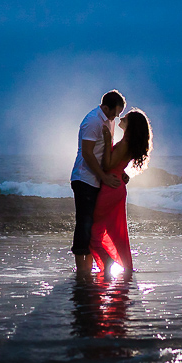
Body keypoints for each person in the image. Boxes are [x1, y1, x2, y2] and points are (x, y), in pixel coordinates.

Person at [89, 108, 152, 279]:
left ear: (130, 125)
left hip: (111, 188)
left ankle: (108, 262)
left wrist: (109, 139)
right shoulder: (129, 143)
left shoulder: (125, 143)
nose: (121, 117)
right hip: (116, 187)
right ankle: (110, 264)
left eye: (125, 117)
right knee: (105, 230)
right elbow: (118, 166)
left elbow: (109, 165)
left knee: (93, 231)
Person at [70, 90, 126, 277]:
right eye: (114, 113)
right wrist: (103, 176)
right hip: (84, 178)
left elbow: (106, 151)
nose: (115, 118)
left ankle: (90, 266)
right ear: (105, 107)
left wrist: (120, 171)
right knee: (84, 223)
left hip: (96, 179)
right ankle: (81, 270)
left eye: (117, 115)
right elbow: (87, 153)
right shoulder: (93, 121)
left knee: (94, 225)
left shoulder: (108, 121)